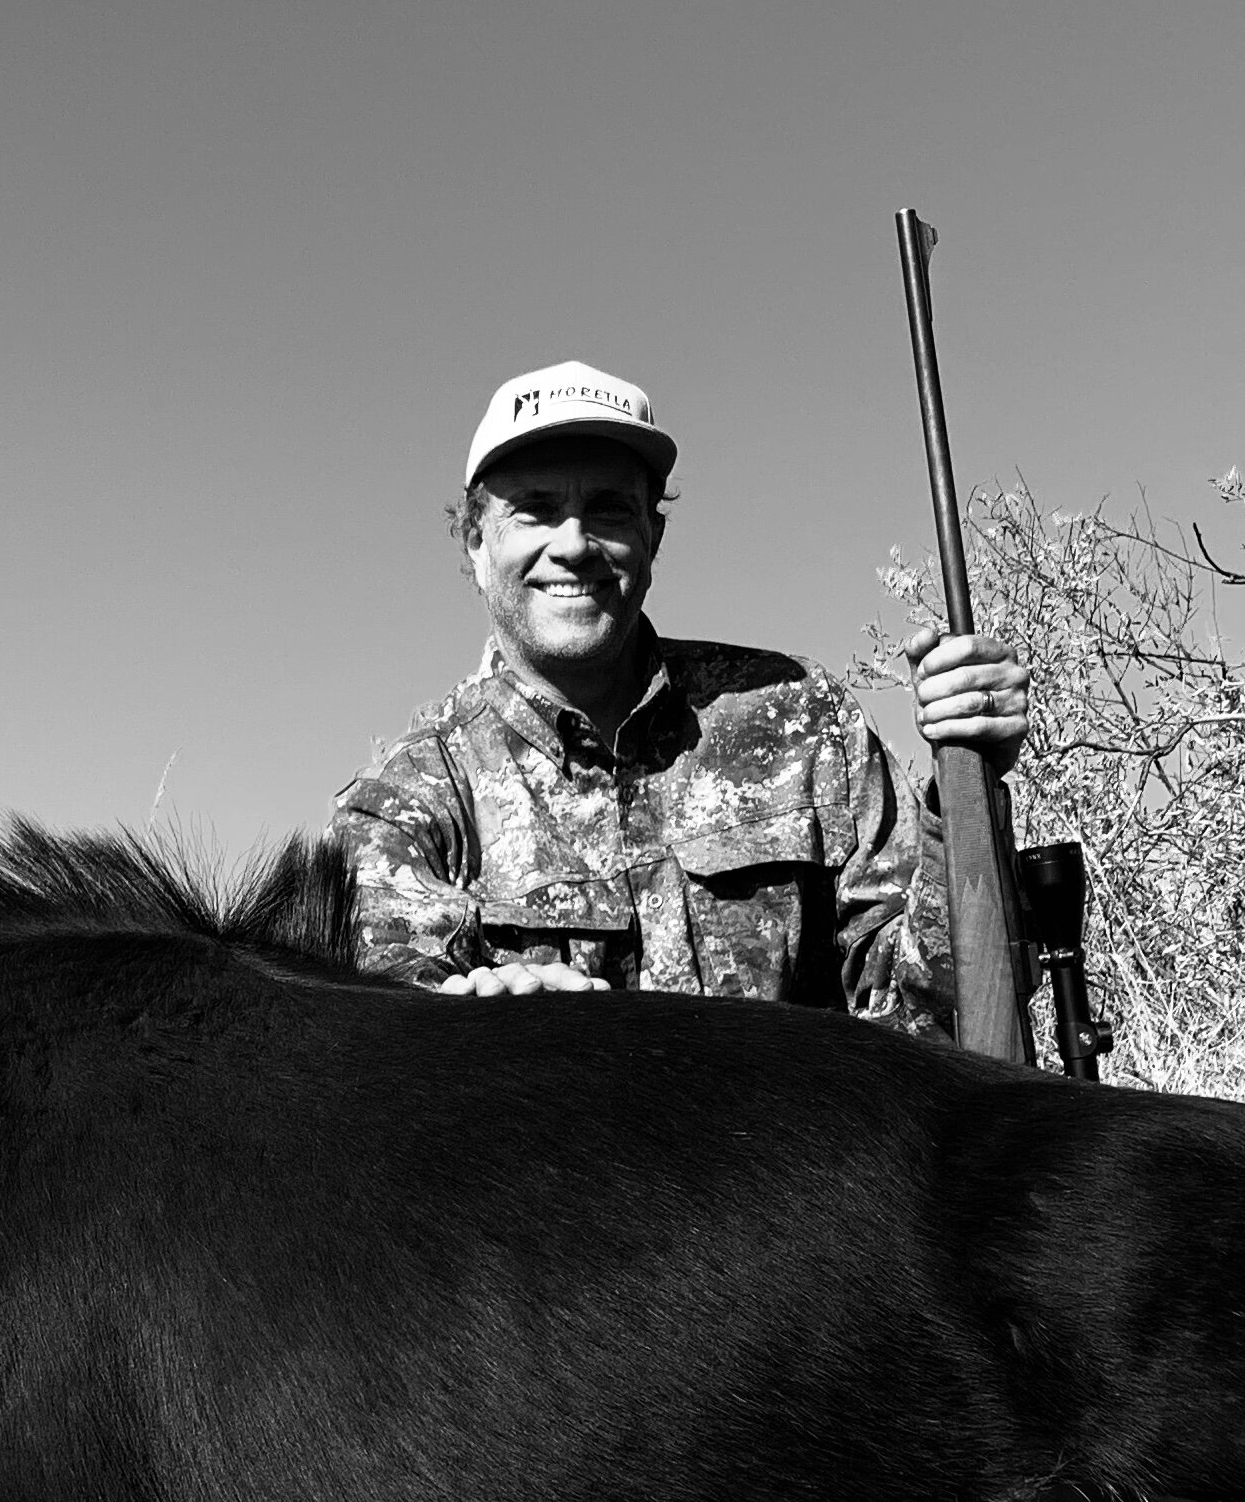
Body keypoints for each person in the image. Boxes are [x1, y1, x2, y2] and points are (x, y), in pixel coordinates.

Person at [332, 360, 1032, 1033]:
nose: (573, 543)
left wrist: (967, 783)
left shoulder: (800, 717)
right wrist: (480, 1027)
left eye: (608, 509)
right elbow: (387, 1047)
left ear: (652, 534)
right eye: (535, 512)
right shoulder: (404, 803)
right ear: (475, 544)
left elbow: (930, 1016)